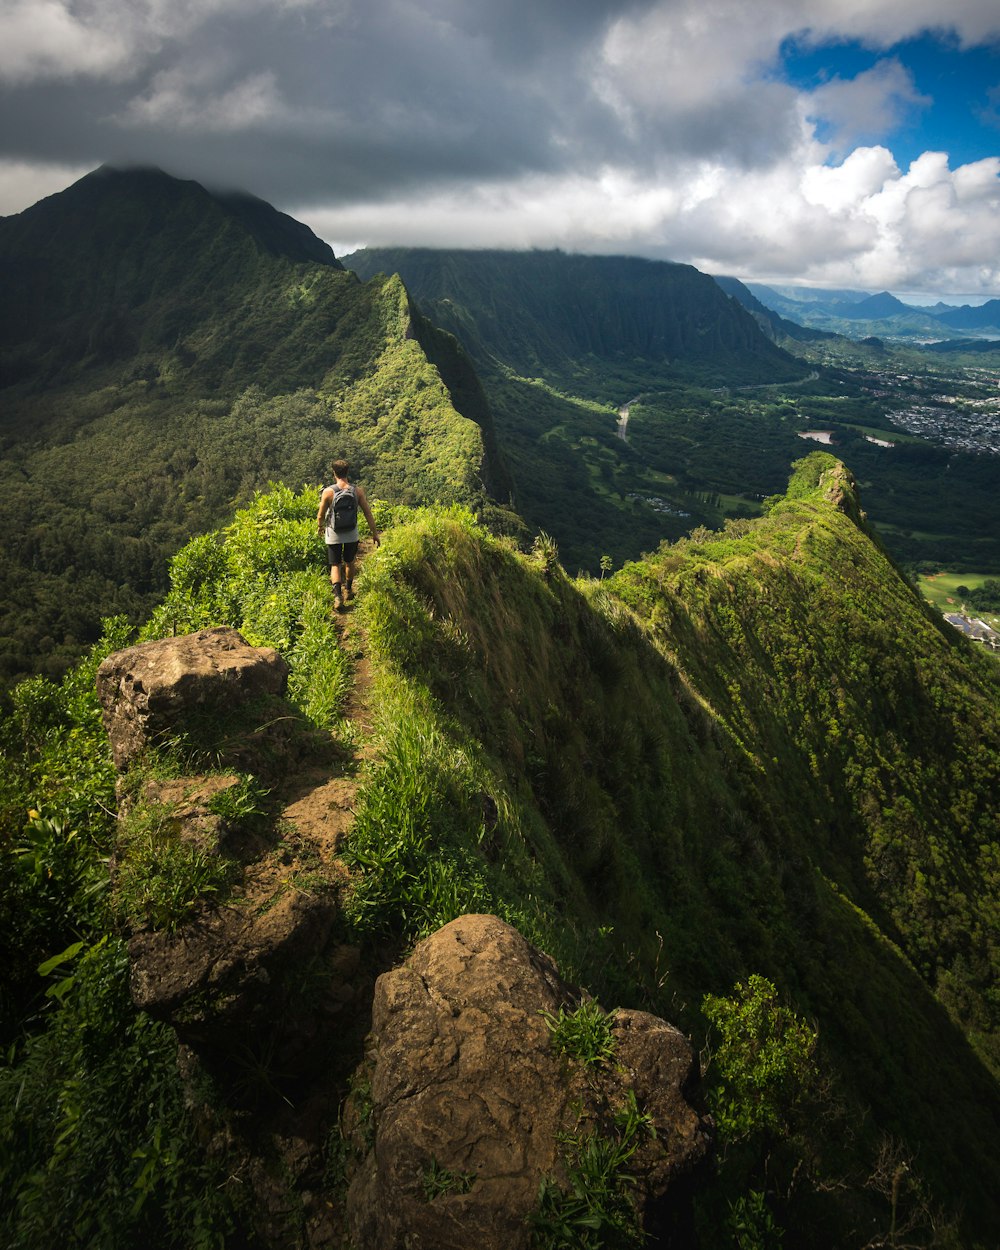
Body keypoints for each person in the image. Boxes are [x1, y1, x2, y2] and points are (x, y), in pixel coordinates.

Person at [317, 459, 380, 610]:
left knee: (335, 564)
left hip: (334, 533)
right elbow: (368, 513)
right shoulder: (357, 491)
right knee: (350, 562)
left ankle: (337, 596)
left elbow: (320, 515)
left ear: (334, 473)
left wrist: (320, 528)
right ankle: (349, 590)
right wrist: (374, 533)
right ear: (347, 472)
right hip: (351, 533)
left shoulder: (328, 492)